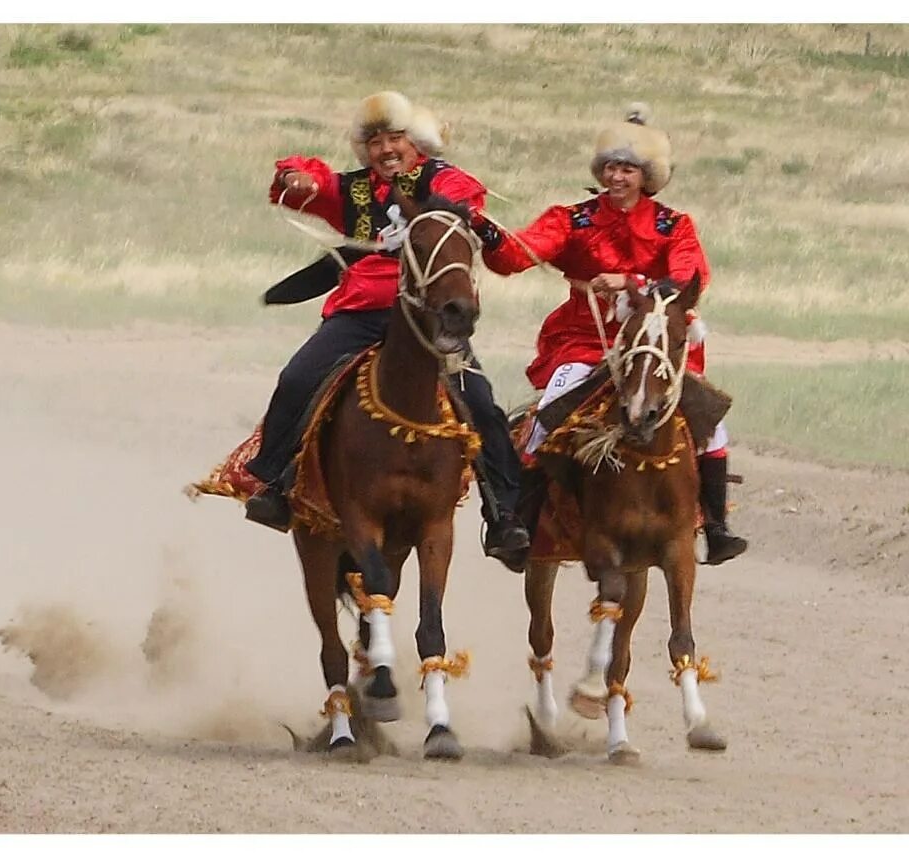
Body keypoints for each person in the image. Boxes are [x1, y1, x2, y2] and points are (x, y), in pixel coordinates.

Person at [243, 90, 530, 568]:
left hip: (425, 316)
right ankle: (275, 480)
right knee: (298, 378)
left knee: (480, 402)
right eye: (374, 142)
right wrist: (295, 178)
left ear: (414, 141)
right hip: (360, 310)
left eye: (394, 138)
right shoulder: (355, 191)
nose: (385, 150)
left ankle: (504, 515)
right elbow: (310, 184)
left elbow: (461, 209)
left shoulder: (446, 182)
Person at [473, 103, 748, 566]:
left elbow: (689, 276)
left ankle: (716, 526)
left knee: (712, 423)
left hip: (656, 342)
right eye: (611, 167)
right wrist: (486, 230)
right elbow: (515, 256)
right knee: (548, 411)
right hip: (586, 336)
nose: (617, 177)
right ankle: (521, 518)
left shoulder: (673, 226)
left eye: (628, 169)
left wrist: (632, 283)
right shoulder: (572, 219)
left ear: (647, 176)